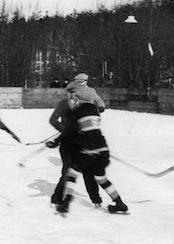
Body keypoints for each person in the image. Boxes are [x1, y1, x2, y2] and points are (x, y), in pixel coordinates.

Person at [46, 80, 128, 215]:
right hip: (102, 149)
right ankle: (120, 203)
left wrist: (55, 142)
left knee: (72, 173)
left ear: (79, 98)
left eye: (75, 96)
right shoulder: (94, 110)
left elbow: (70, 132)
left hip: (88, 150)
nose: (73, 99)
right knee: (101, 178)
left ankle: (65, 203)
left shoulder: (77, 111)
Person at [48, 80, 102, 208]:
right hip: (67, 143)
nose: (73, 95)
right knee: (68, 170)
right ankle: (57, 198)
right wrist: (63, 130)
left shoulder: (85, 107)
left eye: (75, 93)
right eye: (71, 93)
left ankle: (96, 200)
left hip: (82, 143)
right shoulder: (64, 104)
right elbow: (53, 120)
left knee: (88, 171)